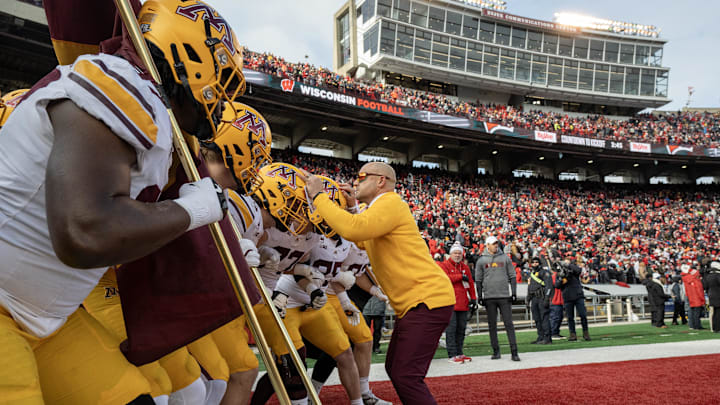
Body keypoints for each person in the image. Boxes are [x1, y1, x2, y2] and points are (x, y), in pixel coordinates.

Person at [0, 0, 242, 403]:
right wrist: (194, 210)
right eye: (223, 76)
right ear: (194, 59)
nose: (222, 97)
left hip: (47, 318)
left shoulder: (146, 106)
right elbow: (86, 232)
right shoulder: (120, 82)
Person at [304, 162, 455, 405]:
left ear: (380, 181)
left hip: (426, 299)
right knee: (396, 368)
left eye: (362, 177)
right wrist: (354, 207)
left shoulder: (390, 202)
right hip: (418, 302)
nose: (356, 182)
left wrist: (319, 196)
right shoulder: (379, 208)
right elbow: (362, 241)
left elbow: (354, 230)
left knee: (406, 374)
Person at [475, 236, 520, 361]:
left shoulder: (505, 258)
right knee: (492, 326)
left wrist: (514, 292)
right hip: (489, 297)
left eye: (496, 243)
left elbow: (512, 276)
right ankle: (496, 351)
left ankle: (514, 352)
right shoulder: (481, 260)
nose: (496, 245)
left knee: (509, 324)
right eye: (493, 244)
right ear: (487, 245)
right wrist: (480, 296)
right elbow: (478, 280)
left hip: (504, 296)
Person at [439, 242, 477, 363]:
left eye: (459, 253)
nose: (457, 255)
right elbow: (444, 279)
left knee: (461, 329)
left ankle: (459, 352)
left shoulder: (464, 267)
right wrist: (460, 276)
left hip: (463, 302)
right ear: (450, 254)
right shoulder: (443, 265)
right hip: (449, 302)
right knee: (451, 329)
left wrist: (474, 298)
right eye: (455, 253)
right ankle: (452, 354)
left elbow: (470, 283)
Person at [554, 254, 591, 341]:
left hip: (578, 295)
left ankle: (586, 333)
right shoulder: (560, 273)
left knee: (583, 315)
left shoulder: (574, 271)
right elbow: (557, 285)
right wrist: (561, 279)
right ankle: (572, 334)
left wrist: (568, 265)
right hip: (567, 297)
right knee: (570, 317)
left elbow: (578, 270)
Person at [527, 257, 553, 344]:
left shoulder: (544, 272)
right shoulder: (532, 274)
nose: (535, 264)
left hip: (542, 297)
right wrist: (528, 298)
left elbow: (549, 286)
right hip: (534, 298)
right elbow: (530, 287)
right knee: (537, 319)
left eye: (536, 262)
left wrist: (546, 298)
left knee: (544, 318)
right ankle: (541, 337)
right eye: (533, 262)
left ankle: (547, 338)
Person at [681, 264, 706, 330]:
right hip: (696, 298)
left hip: (689, 296)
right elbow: (699, 291)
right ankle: (697, 326)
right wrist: (703, 300)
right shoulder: (696, 281)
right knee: (697, 313)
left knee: (691, 312)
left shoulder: (686, 278)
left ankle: (692, 325)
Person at [704, 261, 720, 332]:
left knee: (714, 312)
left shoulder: (708, 276)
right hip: (718, 295)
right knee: (718, 312)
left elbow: (705, 286)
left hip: (711, 295)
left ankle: (714, 327)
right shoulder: (718, 276)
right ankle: (718, 327)